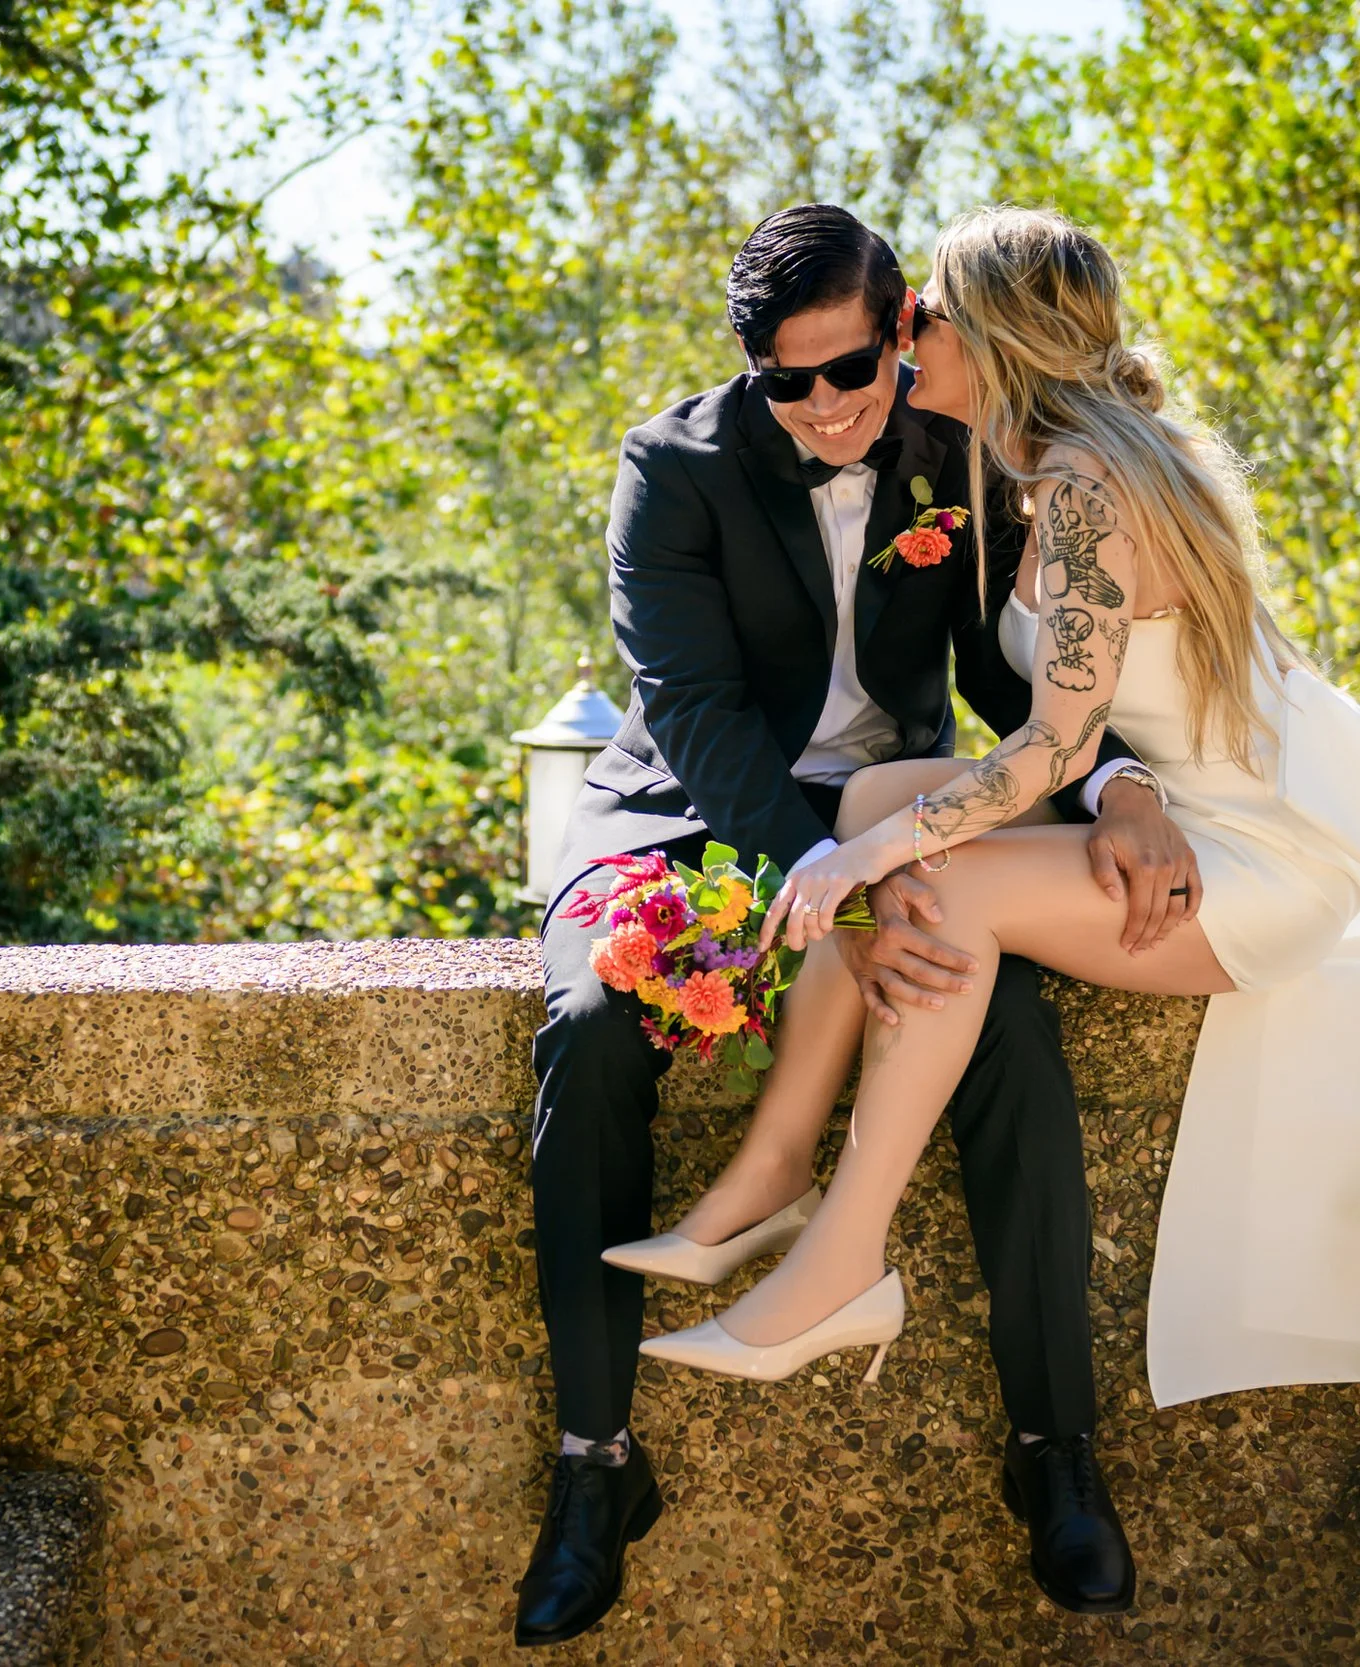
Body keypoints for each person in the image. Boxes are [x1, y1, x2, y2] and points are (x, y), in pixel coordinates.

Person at [630, 206, 1360, 1440]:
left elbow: (1047, 743)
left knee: (931, 873)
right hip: (1186, 814)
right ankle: (772, 1167)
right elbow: (1064, 733)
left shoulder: (1092, 486)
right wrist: (886, 830)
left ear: (988, 336)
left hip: (1254, 861)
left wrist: (865, 858)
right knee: (881, 794)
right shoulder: (1054, 465)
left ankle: (843, 1257)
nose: (902, 337)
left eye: (920, 313)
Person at [515, 204, 1190, 1648]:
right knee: (584, 1026)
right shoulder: (672, 465)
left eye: (851, 370)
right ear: (750, 368)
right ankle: (594, 1465)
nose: (827, 406)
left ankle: (1054, 1451)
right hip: (695, 812)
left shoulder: (959, 441)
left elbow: (1029, 679)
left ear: (901, 329)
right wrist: (827, 888)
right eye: (787, 381)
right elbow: (691, 710)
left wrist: (1121, 778)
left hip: (906, 806)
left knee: (998, 1017)